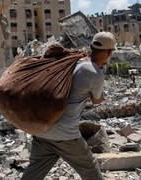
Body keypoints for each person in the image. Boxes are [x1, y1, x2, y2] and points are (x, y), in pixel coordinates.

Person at [21, 31, 116, 180]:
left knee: (35, 171)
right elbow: (97, 100)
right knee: (90, 167)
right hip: (65, 134)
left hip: (42, 128)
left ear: (92, 47)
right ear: (109, 53)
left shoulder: (73, 61)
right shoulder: (95, 73)